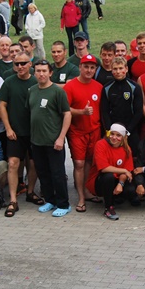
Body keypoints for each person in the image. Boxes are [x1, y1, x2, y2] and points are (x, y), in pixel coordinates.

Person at [0, 53, 41, 216]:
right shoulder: (9, 82)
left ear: (30, 64)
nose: (20, 67)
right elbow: (2, 105)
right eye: (16, 64)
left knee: (34, 163)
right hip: (15, 132)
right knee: (13, 164)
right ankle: (13, 200)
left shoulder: (36, 81)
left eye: (23, 63)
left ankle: (30, 192)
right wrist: (8, 128)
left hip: (34, 132)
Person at [29, 60, 72, 217]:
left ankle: (63, 204)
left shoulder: (57, 92)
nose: (41, 74)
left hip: (54, 141)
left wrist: (61, 138)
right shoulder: (32, 90)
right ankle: (50, 200)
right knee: (43, 172)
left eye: (44, 71)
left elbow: (67, 114)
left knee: (57, 174)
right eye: (38, 71)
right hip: (37, 141)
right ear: (34, 73)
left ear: (50, 73)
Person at [64, 55, 104, 213]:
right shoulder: (70, 86)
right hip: (77, 132)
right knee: (79, 163)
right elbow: (65, 109)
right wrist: (82, 112)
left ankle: (86, 190)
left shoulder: (99, 87)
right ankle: (80, 197)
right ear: (80, 67)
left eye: (92, 67)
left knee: (89, 161)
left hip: (94, 130)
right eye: (86, 67)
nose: (89, 70)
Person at [89, 123, 137, 220]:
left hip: (117, 179)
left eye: (118, 135)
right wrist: (123, 170)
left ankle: (116, 198)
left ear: (123, 138)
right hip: (99, 180)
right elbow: (104, 168)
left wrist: (121, 183)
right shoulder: (101, 144)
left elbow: (128, 170)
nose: (114, 137)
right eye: (112, 134)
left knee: (130, 189)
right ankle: (108, 207)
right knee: (109, 176)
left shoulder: (127, 149)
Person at [100, 57, 144, 147]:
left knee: (133, 156)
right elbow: (105, 111)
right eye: (115, 69)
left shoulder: (134, 87)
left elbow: (138, 112)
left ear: (126, 69)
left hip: (131, 129)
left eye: (121, 68)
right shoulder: (106, 88)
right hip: (113, 130)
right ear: (111, 70)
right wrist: (109, 131)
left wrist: (127, 132)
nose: (118, 71)